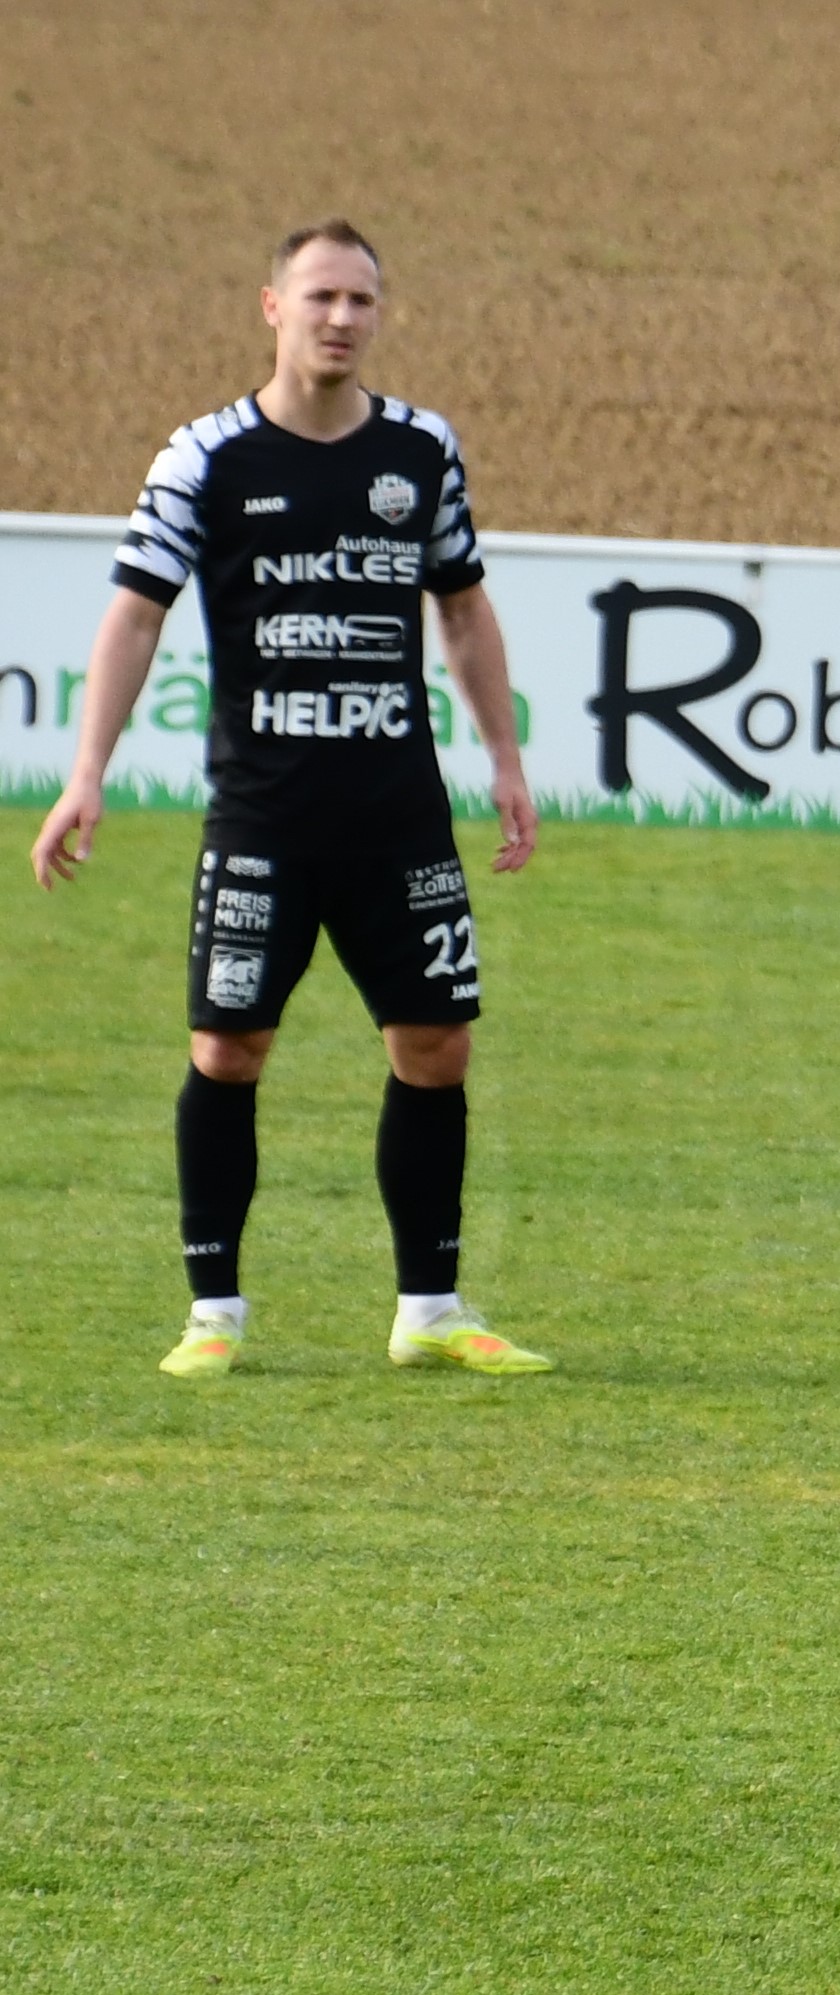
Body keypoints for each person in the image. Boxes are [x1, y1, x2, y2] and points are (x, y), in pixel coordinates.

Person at [27, 219, 550, 1380]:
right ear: (273, 307)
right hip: (262, 818)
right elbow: (136, 613)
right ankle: (213, 1314)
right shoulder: (205, 456)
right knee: (228, 1049)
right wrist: (86, 772)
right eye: (320, 297)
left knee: (438, 1047)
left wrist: (505, 760)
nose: (342, 318)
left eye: (361, 300)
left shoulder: (422, 451)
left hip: (399, 818)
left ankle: (431, 1310)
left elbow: (463, 609)